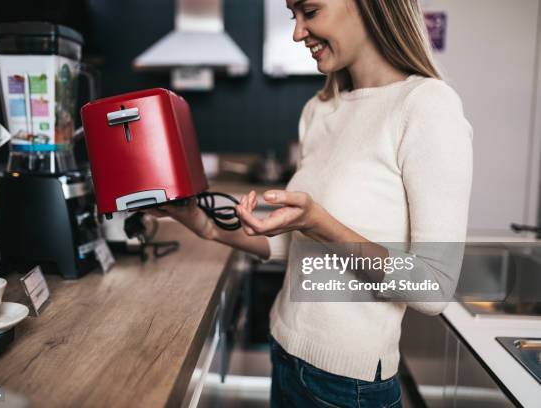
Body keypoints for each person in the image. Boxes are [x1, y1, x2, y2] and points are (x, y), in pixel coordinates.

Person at [149, 0, 472, 406]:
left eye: (310, 11)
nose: (297, 33)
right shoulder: (318, 111)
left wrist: (322, 224)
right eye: (293, 16)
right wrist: (205, 225)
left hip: (348, 387)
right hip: (285, 354)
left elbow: (433, 288)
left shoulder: (426, 106)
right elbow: (301, 249)